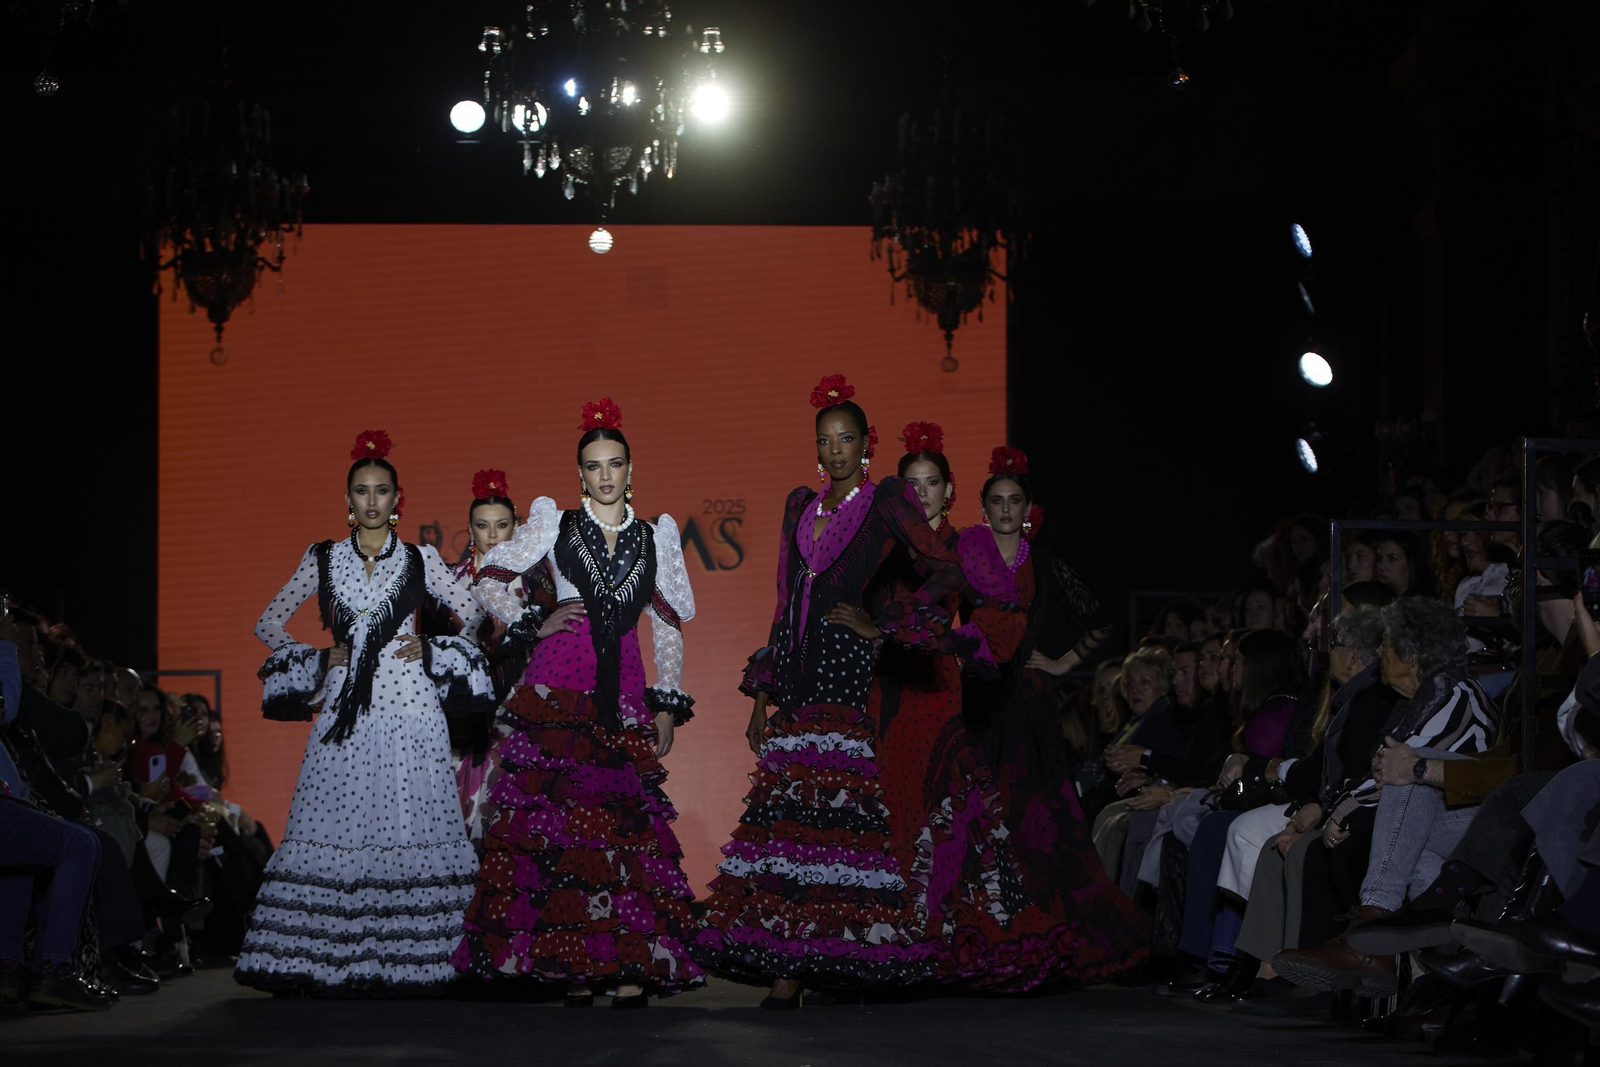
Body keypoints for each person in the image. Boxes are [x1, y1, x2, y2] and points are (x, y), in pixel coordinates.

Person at [694, 376, 992, 1008]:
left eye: (846, 439)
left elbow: (948, 566)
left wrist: (881, 625)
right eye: (824, 440)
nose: (834, 451)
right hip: (799, 672)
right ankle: (797, 960)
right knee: (792, 818)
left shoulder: (884, 499)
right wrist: (760, 695)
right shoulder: (801, 503)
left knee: (829, 815)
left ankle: (797, 972)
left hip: (845, 663)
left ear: (865, 444)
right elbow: (784, 600)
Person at [451, 398, 703, 1007]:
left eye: (615, 463)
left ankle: (622, 962)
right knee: (561, 831)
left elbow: (667, 622)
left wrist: (665, 703)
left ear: (630, 468)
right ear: (580, 474)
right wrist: (530, 620)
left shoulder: (653, 537)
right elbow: (487, 574)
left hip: (622, 694)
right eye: (594, 466)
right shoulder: (554, 525)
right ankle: (572, 963)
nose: (606, 475)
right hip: (560, 686)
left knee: (617, 834)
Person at [234, 430, 495, 997]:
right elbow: (267, 623)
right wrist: (315, 656)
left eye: (382, 491)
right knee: (337, 823)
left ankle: (419, 959)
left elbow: (474, 613)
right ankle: (328, 957)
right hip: (345, 710)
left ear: (396, 499)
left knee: (410, 821)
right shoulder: (323, 557)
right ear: (347, 499)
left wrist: (432, 649)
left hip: (412, 708)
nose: (372, 500)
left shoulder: (421, 558)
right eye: (361, 491)